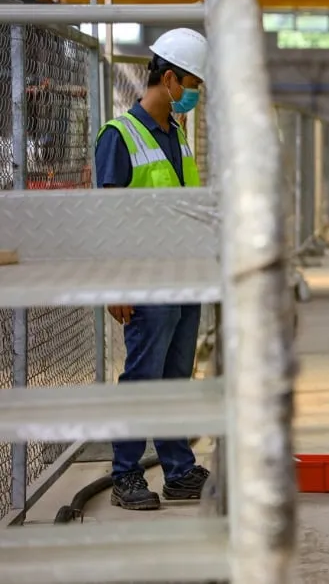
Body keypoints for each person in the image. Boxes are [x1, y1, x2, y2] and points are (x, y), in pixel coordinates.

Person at [94, 27, 210, 511]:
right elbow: (103, 219)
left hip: (185, 279)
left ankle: (179, 471)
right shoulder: (119, 136)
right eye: (193, 85)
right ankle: (125, 475)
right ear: (170, 79)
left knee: (177, 375)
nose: (195, 96)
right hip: (146, 282)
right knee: (143, 377)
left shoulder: (177, 136)